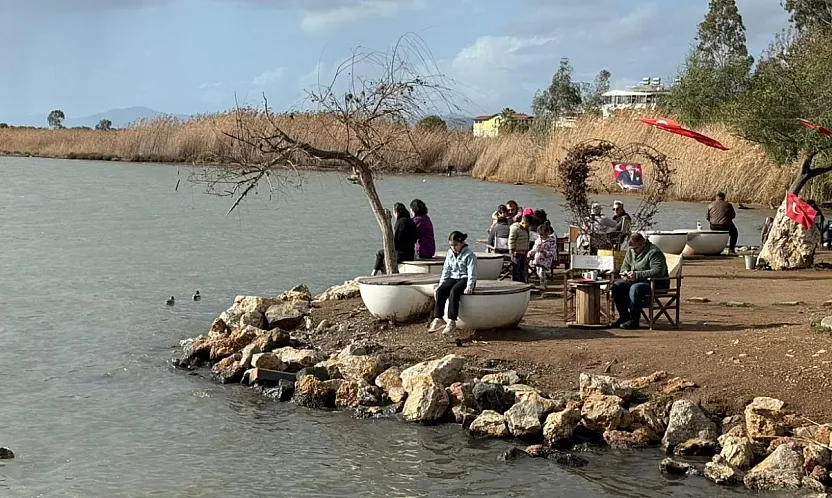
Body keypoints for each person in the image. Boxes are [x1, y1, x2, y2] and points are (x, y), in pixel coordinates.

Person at [611, 233, 669, 330]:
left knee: (635, 288)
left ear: (642, 244)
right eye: (632, 248)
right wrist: (625, 273)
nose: (633, 251)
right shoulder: (631, 251)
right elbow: (624, 266)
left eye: (635, 248)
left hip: (654, 283)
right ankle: (624, 317)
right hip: (634, 281)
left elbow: (658, 271)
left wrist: (637, 275)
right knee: (617, 285)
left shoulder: (654, 252)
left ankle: (634, 320)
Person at [428, 231, 477, 336]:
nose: (453, 247)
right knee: (441, 290)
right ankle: (438, 318)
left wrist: (470, 286)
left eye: (456, 245)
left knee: (454, 291)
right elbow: (446, 270)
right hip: (453, 277)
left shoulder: (470, 255)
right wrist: (441, 283)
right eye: (451, 245)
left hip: (465, 278)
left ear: (462, 243)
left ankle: (452, 321)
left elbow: (472, 272)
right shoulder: (450, 253)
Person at [371, 202, 417, 275]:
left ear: (396, 212)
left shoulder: (400, 222)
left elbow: (396, 240)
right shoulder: (410, 221)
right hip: (410, 252)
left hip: (402, 254)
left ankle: (373, 274)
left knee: (380, 253)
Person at [528, 221, 557, 291]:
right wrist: (531, 252)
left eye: (543, 235)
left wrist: (544, 251)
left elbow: (552, 253)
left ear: (547, 233)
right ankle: (543, 284)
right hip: (538, 258)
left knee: (541, 272)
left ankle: (543, 285)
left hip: (546, 259)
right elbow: (535, 248)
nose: (541, 237)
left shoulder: (551, 241)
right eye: (540, 235)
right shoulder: (538, 240)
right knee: (538, 272)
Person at [508, 213, 533, 282]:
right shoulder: (515, 228)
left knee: (523, 267)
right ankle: (516, 281)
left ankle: (522, 280)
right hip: (516, 251)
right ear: (524, 222)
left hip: (524, 251)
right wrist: (511, 249)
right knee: (516, 267)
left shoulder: (526, 230)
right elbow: (511, 239)